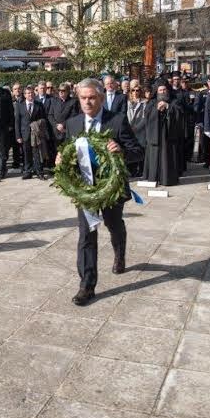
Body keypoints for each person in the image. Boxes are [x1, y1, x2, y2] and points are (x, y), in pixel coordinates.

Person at [56, 78, 144, 306]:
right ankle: (87, 284)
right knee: (86, 235)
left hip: (112, 189)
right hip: (85, 190)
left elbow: (138, 152)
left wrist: (121, 150)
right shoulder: (74, 124)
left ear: (101, 98)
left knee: (114, 226)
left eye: (92, 97)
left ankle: (119, 252)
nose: (87, 102)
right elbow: (69, 155)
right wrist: (60, 160)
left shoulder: (116, 121)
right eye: (83, 98)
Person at [142, 80, 183, 186]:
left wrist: (168, 107)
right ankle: (154, 178)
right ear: (157, 91)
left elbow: (179, 114)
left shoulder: (174, 101)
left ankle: (167, 179)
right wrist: (157, 109)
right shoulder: (151, 102)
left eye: (164, 89)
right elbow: (147, 115)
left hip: (169, 136)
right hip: (155, 135)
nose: (163, 92)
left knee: (167, 157)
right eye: (160, 90)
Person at [15, 85, 48, 180]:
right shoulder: (19, 105)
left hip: (36, 134)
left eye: (32, 93)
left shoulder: (39, 105)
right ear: (24, 95)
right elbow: (17, 121)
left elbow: (43, 119)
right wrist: (18, 136)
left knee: (37, 153)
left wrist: (38, 125)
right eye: (28, 93)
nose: (30, 95)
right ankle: (28, 172)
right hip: (25, 133)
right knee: (26, 153)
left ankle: (39, 172)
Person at [126, 79, 148, 178]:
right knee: (131, 149)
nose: (135, 92)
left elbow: (145, 117)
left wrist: (137, 127)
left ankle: (141, 170)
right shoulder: (127, 102)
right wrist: (129, 127)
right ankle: (132, 170)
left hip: (140, 130)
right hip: (129, 129)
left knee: (141, 149)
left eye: (137, 90)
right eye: (133, 90)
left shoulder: (144, 102)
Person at [48, 83, 79, 150]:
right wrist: (56, 125)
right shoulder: (54, 101)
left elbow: (73, 116)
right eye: (59, 90)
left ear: (68, 91)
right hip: (55, 132)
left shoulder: (73, 101)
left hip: (66, 131)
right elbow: (50, 115)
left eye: (63, 90)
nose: (61, 92)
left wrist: (63, 125)